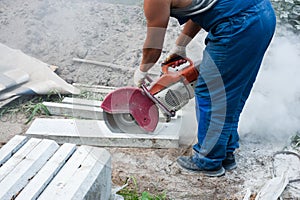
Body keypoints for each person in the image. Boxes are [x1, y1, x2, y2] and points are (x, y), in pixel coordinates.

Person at [134, 0, 276, 177]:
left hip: (239, 24)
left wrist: (142, 70)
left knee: (210, 93)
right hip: (262, 15)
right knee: (231, 92)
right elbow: (200, 10)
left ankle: (208, 159)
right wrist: (180, 46)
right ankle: (225, 152)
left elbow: (153, 46)